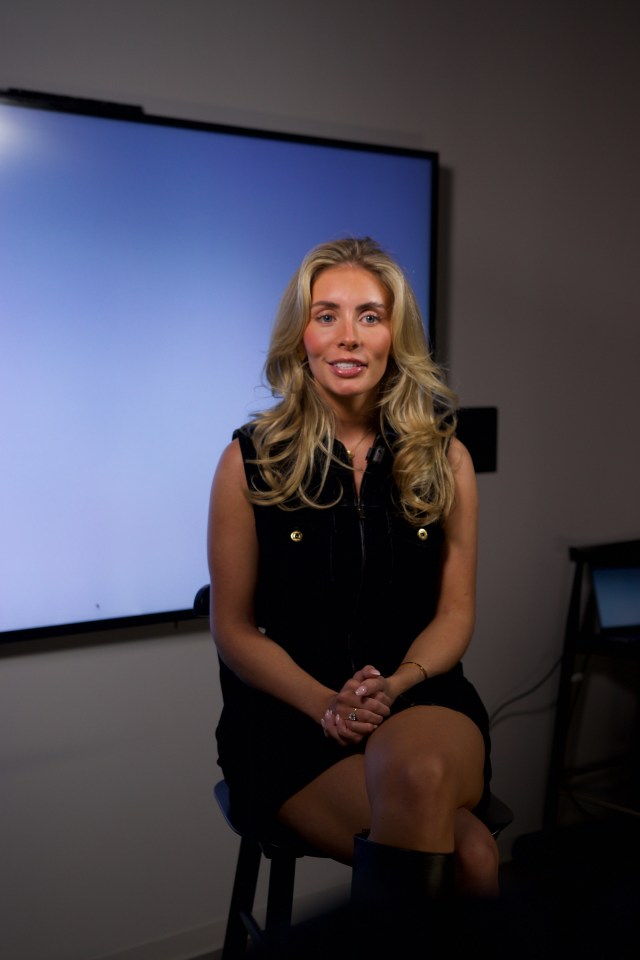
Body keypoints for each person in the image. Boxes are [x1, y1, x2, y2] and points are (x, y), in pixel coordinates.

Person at [207, 237, 499, 939]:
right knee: (476, 860)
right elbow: (234, 628)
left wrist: (393, 686)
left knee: (421, 773)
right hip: (290, 721)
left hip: (421, 696)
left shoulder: (445, 456)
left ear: (396, 337)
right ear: (299, 335)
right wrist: (325, 704)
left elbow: (456, 614)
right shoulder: (247, 461)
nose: (348, 337)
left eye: (369, 316)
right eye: (327, 315)